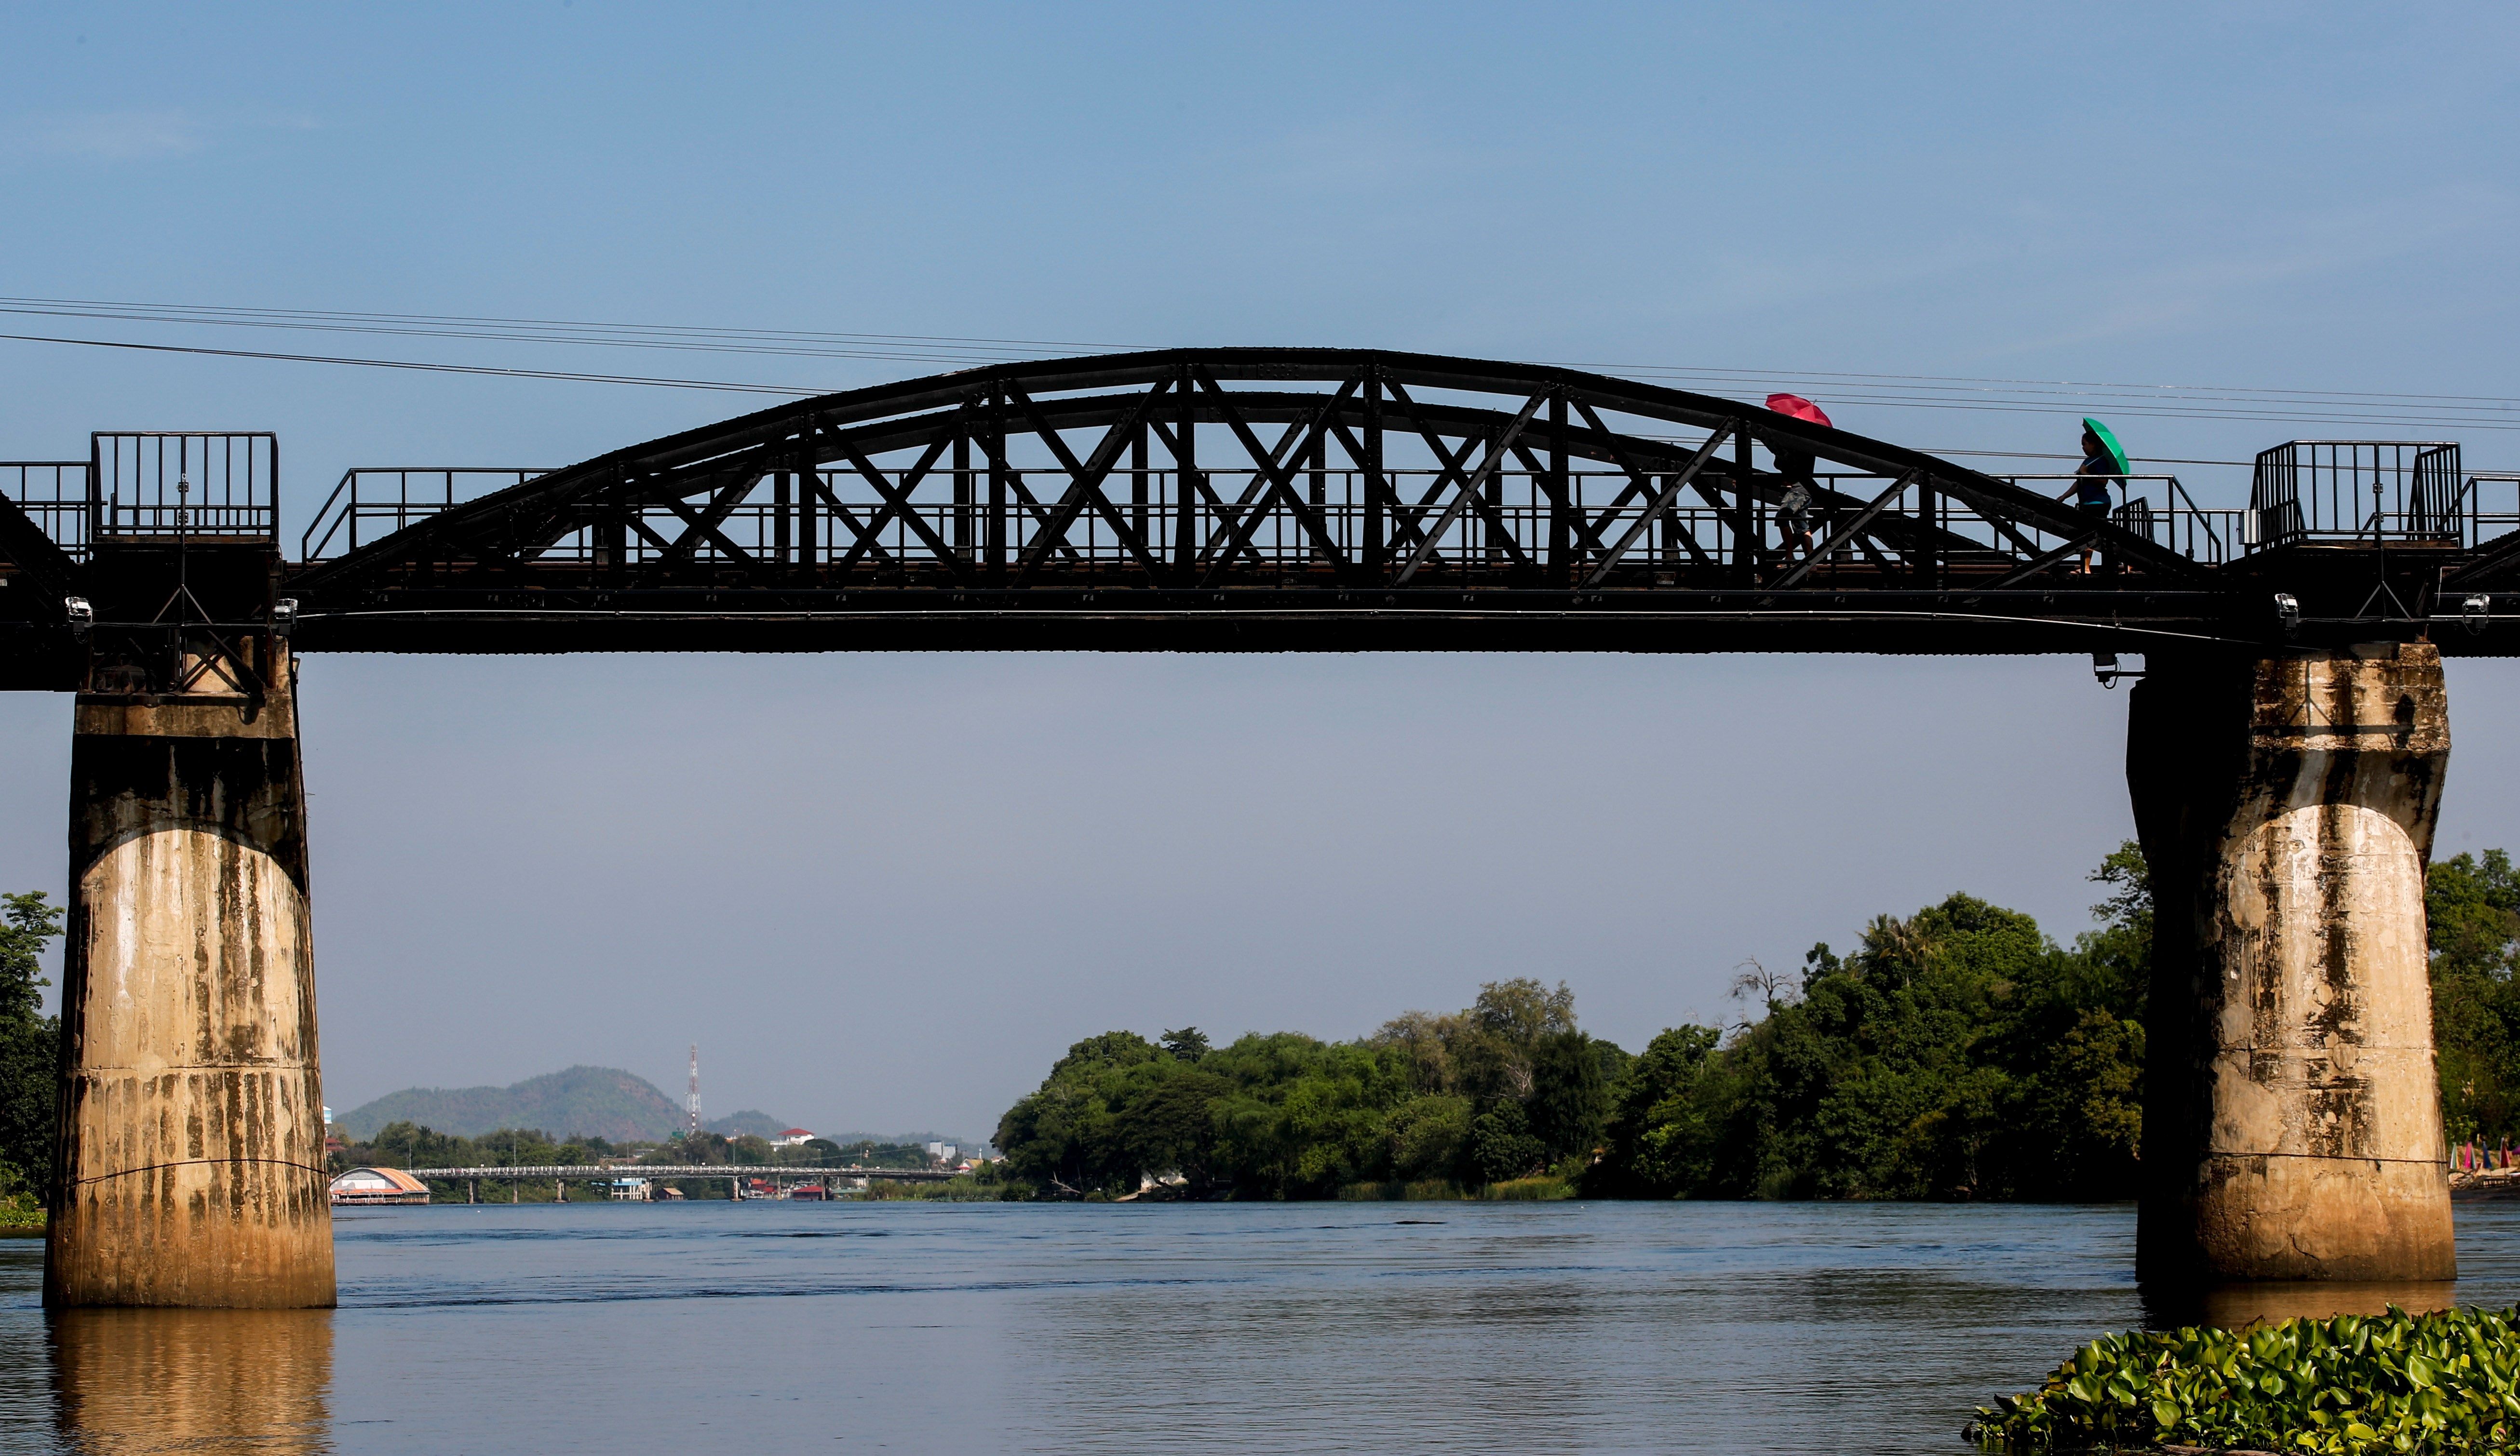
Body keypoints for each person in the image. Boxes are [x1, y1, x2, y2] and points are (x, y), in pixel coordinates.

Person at [2056, 423, 2120, 573]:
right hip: (2087, 503)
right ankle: (2086, 566)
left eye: (2085, 444)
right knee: (2087, 535)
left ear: (2093, 444)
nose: (2083, 448)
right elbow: (2078, 483)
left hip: (2098, 503)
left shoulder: (2101, 461)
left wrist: (2085, 473)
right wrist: (2064, 496)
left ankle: (2086, 567)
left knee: (2090, 536)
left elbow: (2103, 481)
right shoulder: (2088, 462)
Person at [1772, 447, 1819, 563]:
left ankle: (1790, 555)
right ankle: (1811, 562)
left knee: (1782, 518)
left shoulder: (1793, 446)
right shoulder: (1807, 446)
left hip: (1797, 491)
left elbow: (1778, 464)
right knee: (1803, 528)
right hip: (1805, 490)